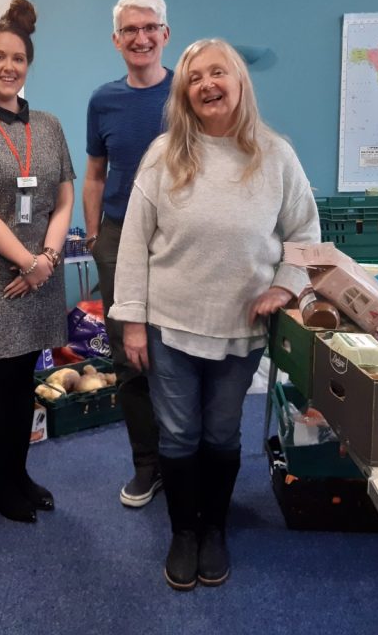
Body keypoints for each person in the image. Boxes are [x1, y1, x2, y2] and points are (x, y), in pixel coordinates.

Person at [110, 38, 319, 591]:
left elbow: (304, 235)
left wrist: (286, 285)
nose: (206, 84)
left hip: (240, 328)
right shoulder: (164, 154)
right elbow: (134, 242)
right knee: (178, 435)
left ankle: (214, 529)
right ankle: (184, 532)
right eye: (194, 77)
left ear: (239, 83)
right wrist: (132, 319)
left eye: (217, 73)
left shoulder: (276, 155)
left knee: (222, 435)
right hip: (170, 324)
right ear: (184, 93)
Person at [0, 0, 75, 523]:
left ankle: (21, 474)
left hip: (42, 269)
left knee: (25, 378)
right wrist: (29, 261)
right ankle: (2, 483)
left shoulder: (47, 126)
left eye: (18, 59)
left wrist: (47, 257)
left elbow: (65, 197)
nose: (8, 67)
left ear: (28, 66)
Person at [84, 0, 171, 508]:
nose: (140, 38)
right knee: (129, 356)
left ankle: (185, 458)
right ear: (116, 41)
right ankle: (147, 465)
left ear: (165, 34)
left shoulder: (189, 93)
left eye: (149, 28)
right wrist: (95, 236)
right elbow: (95, 173)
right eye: (130, 31)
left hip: (178, 239)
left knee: (179, 351)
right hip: (118, 235)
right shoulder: (103, 100)